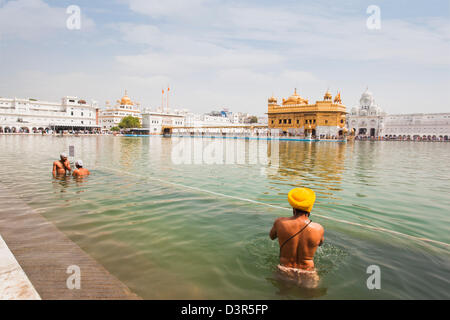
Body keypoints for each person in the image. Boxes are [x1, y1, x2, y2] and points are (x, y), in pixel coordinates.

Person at [270, 188, 324, 288]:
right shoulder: (318, 228)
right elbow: (320, 243)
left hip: (284, 269)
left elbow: (272, 237)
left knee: (282, 295)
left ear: (293, 206)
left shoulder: (280, 222)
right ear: (310, 207)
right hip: (308, 272)